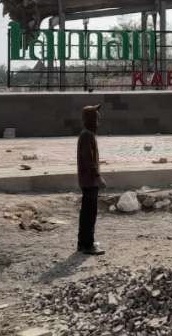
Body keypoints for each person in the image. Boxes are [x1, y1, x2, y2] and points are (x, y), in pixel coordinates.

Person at [77, 104, 106, 255]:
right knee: (90, 214)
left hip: (87, 180)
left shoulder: (86, 135)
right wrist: (98, 177)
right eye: (96, 119)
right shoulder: (87, 135)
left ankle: (83, 243)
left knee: (86, 213)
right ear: (91, 120)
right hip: (89, 181)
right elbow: (89, 160)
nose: (98, 122)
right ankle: (88, 245)